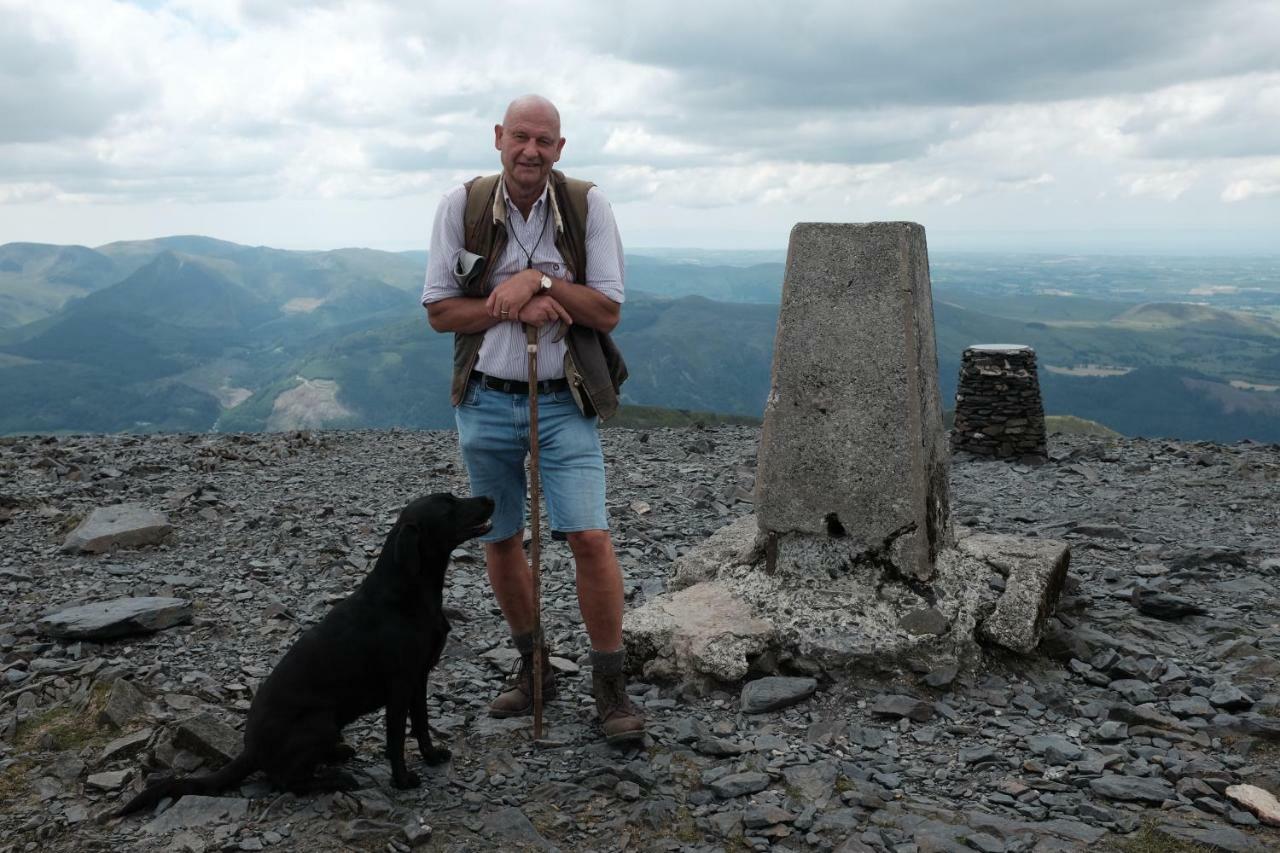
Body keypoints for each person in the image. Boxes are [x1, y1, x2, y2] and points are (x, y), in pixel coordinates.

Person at [421, 94, 643, 745]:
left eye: (545, 141)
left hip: (563, 399)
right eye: (521, 137)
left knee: (589, 537)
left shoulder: (586, 205)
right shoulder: (460, 207)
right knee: (500, 537)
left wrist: (540, 284)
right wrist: (511, 304)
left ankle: (610, 685)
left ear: (560, 148)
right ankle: (534, 665)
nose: (531, 151)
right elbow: (438, 310)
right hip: (486, 398)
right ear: (498, 137)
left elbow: (605, 310)